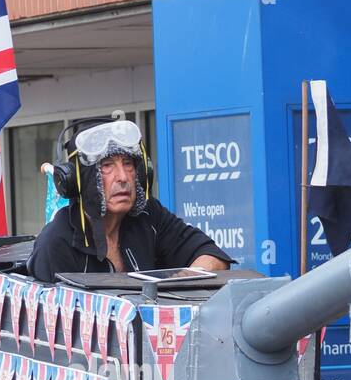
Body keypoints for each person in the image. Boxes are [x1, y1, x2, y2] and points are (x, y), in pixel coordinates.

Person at [27, 119, 231, 282]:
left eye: (128, 164)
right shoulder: (55, 243)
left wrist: (175, 284)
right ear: (78, 180)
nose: (123, 177)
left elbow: (213, 256)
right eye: (107, 166)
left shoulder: (149, 215)